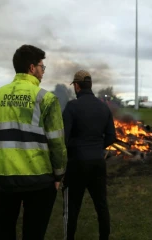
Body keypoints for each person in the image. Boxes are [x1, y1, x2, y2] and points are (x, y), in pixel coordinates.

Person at [0, 44, 67, 240]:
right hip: (38, 179)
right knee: (34, 233)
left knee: (4, 230)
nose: (43, 72)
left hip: (4, 177)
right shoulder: (45, 98)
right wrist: (58, 175)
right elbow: (56, 143)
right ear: (32, 68)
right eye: (42, 67)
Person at [62, 70, 116, 240]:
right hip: (98, 163)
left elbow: (64, 137)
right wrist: (97, 147)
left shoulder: (72, 107)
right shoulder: (103, 107)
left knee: (72, 207)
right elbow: (111, 137)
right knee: (101, 205)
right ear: (90, 86)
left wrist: (74, 149)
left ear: (77, 86)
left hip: (77, 164)